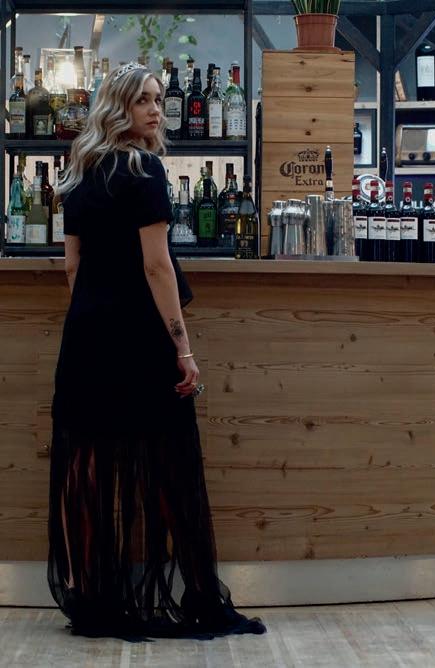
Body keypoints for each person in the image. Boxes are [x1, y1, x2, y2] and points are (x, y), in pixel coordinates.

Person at [47, 61, 266, 640]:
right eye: (142, 99)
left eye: (157, 98)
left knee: (87, 467)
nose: (154, 110)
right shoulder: (144, 169)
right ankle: (197, 596)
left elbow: (72, 266)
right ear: (118, 106)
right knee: (169, 462)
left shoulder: (78, 170)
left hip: (86, 336)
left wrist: (94, 314)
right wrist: (183, 348)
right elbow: (156, 266)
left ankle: (91, 596)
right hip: (139, 336)